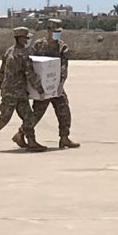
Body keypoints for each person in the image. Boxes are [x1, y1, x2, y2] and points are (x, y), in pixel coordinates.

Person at [0, 26, 44, 152]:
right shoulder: (23, 54)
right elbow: (30, 74)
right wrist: (40, 89)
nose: (27, 40)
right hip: (16, 92)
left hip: (11, 91)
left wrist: (2, 86)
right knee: (6, 117)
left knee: (27, 116)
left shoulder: (9, 51)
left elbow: (1, 71)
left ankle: (31, 141)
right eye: (26, 38)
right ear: (19, 38)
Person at [29, 18, 80, 149]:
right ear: (48, 31)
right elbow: (30, 63)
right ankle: (21, 133)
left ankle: (64, 138)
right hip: (41, 86)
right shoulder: (38, 45)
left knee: (64, 109)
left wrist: (60, 84)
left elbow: (64, 66)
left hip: (56, 85)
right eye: (55, 32)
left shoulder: (62, 47)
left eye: (59, 32)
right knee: (37, 112)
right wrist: (35, 85)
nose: (57, 34)